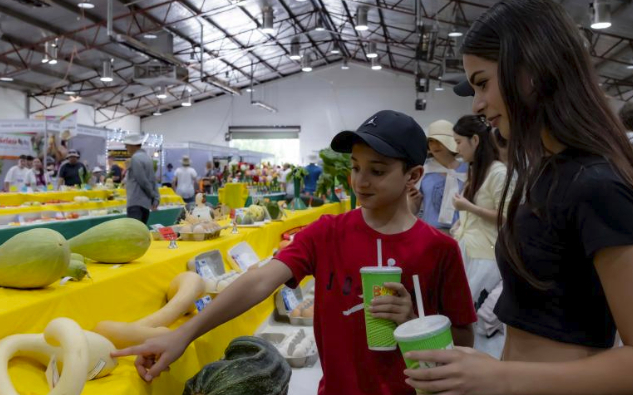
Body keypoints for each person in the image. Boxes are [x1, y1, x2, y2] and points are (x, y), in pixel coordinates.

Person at [114, 110, 476, 395]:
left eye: (377, 171)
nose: (361, 181)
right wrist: (183, 334)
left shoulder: (439, 249)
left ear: (412, 176)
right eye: (355, 167)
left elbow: (463, 344)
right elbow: (259, 281)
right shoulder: (327, 233)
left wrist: (412, 321)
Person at [404, 0, 633, 394]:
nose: (477, 104)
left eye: (482, 84)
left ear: (532, 70)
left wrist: (501, 377)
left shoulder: (596, 184)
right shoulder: (546, 174)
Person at [451, 114, 508, 360]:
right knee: (465, 319)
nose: (457, 148)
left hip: (487, 259)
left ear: (474, 140)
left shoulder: (498, 173)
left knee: (481, 323)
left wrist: (469, 208)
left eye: (459, 142)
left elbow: (508, 218)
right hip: (467, 254)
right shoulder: (475, 171)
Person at [410, 120, 468, 233]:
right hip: (430, 232)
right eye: (431, 141)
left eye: (439, 141)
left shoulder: (467, 170)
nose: (435, 145)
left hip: (461, 233)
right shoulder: (423, 171)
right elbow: (412, 204)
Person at [124, 134, 160, 224]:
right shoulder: (148, 158)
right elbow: (153, 180)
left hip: (135, 202)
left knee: (134, 233)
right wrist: (156, 197)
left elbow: (143, 181)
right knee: (141, 232)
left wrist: (153, 195)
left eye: (127, 145)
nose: (126, 148)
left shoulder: (135, 158)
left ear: (133, 146)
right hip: (145, 203)